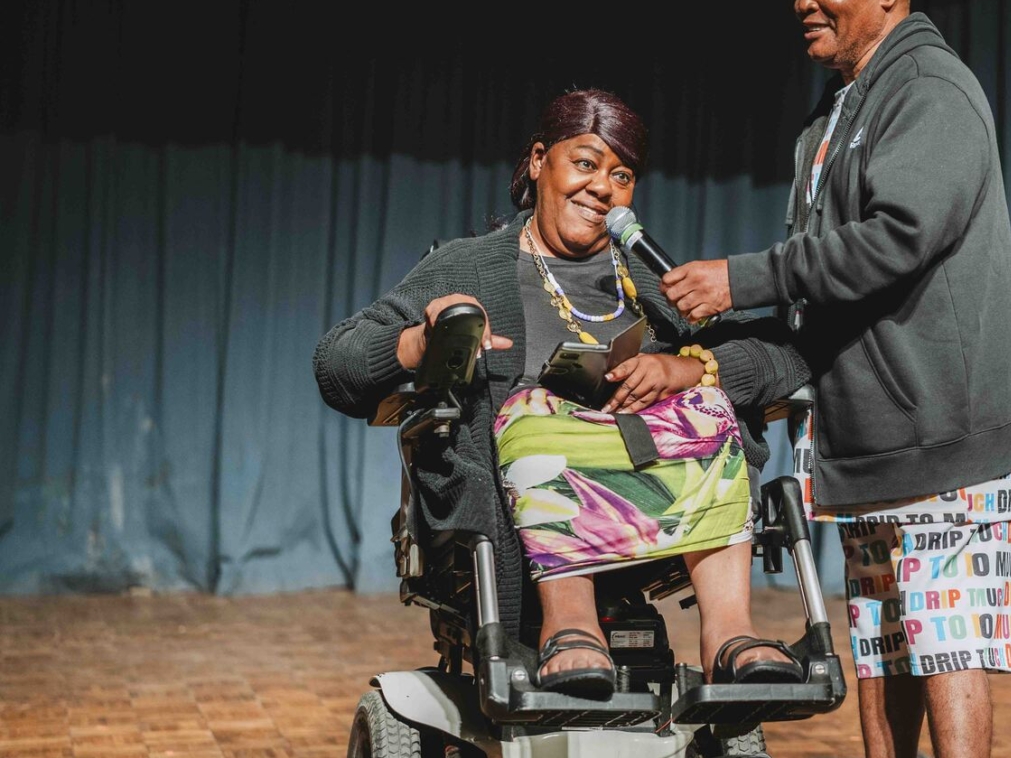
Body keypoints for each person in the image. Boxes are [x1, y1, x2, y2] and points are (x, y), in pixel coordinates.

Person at [662, 0, 1011, 758]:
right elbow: (824, 297)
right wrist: (717, 354)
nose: (804, 1)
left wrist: (742, 277)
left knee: (948, 640)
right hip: (866, 436)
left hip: (944, 430)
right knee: (884, 644)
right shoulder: (839, 113)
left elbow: (897, 238)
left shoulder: (929, 88)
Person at [314, 88, 806, 700]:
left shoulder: (650, 281)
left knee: (706, 399)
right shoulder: (469, 268)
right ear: (539, 160)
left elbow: (785, 355)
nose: (602, 187)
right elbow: (337, 365)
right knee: (534, 408)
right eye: (585, 162)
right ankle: (569, 626)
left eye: (621, 175)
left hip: (650, 490)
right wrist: (424, 341)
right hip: (522, 496)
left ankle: (729, 634)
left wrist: (688, 369)